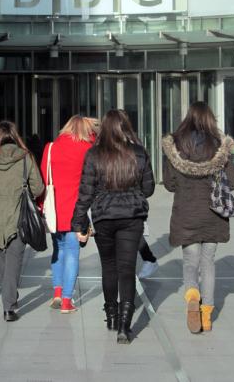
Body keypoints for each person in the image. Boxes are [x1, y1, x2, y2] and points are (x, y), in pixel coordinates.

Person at [71, 109, 155, 344]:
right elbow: (148, 188)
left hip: (103, 217)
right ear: (126, 127)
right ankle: (124, 327)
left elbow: (85, 193)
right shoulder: (138, 153)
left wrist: (78, 222)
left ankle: (111, 317)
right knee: (127, 270)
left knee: (108, 267)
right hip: (132, 217)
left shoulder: (94, 154)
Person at [162, 101, 234, 334]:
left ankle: (192, 296)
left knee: (190, 261)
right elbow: (233, 182)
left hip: (186, 214)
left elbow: (170, 184)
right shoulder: (219, 146)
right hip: (213, 216)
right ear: (210, 119)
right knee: (208, 263)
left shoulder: (176, 147)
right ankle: (206, 316)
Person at [0, 121, 44, 322]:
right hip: (18, 216)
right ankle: (9, 306)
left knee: (5, 260)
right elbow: (39, 187)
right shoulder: (25, 158)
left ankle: (9, 296)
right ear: (15, 136)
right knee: (13, 261)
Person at [40, 115, 99, 314]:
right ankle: (67, 300)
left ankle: (57, 292)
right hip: (77, 211)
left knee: (59, 250)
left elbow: (43, 178)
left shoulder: (51, 148)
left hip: (55, 210)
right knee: (73, 253)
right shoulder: (88, 150)